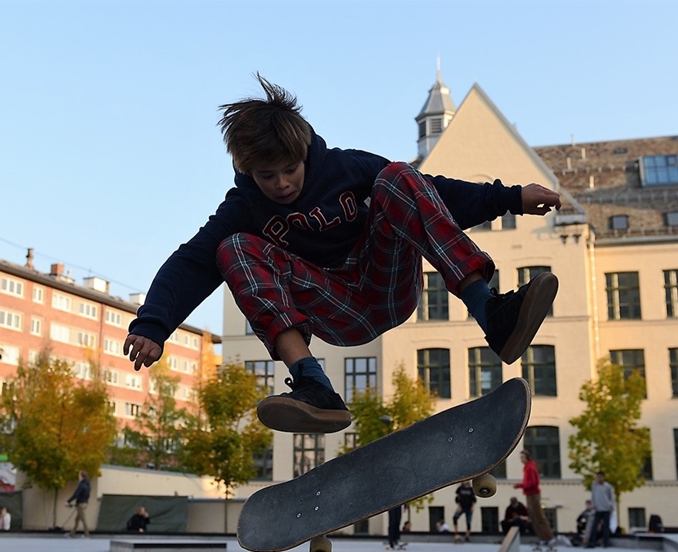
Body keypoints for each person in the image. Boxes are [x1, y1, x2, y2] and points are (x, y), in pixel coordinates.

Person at [123, 75, 561, 434]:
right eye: (267, 176)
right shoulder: (244, 208)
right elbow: (191, 262)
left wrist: (511, 198)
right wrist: (154, 325)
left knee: (398, 177)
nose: (281, 184)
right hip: (334, 307)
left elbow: (432, 196)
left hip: (385, 281)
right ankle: (314, 387)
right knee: (232, 247)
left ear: (304, 153)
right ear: (246, 169)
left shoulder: (347, 167)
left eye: (290, 169)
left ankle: (491, 313)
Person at [514, 450, 555, 548]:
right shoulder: (527, 467)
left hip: (533, 494)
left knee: (538, 516)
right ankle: (543, 538)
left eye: (522, 457)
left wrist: (520, 485)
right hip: (530, 494)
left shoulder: (530, 467)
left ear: (527, 457)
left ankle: (549, 538)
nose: (521, 459)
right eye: (520, 457)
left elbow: (533, 483)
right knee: (534, 517)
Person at [586, 471, 616, 548]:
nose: (598, 479)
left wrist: (611, 507)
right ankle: (592, 542)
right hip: (598, 508)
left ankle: (605, 542)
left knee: (606, 526)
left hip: (606, 508)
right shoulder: (594, 485)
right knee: (594, 525)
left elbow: (611, 497)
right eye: (597, 477)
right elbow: (593, 495)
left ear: (603, 478)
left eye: (600, 477)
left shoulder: (608, 487)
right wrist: (593, 505)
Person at [65, 470, 91, 538]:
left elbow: (76, 494)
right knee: (77, 519)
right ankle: (72, 534)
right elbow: (87, 495)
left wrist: (68, 501)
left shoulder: (81, 485)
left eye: (79, 475)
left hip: (80, 505)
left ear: (81, 476)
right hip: (85, 503)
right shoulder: (88, 485)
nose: (78, 476)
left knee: (83, 519)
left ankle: (87, 534)